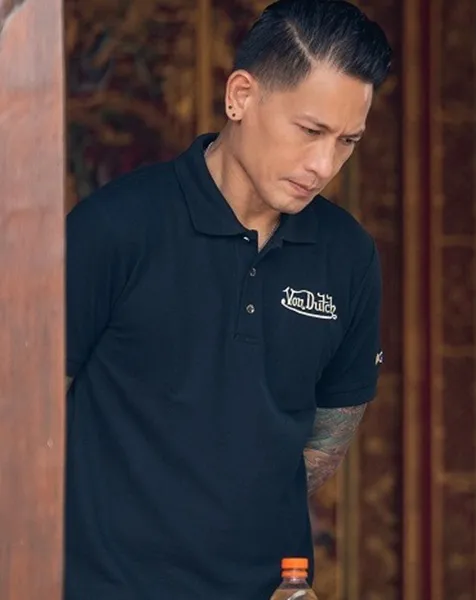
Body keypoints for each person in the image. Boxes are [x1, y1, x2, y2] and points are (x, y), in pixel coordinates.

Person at [63, 1, 390, 597]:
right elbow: (24, 419)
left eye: (348, 141)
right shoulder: (115, 228)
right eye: (310, 131)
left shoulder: (348, 256)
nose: (324, 165)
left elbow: (327, 439)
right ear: (241, 96)